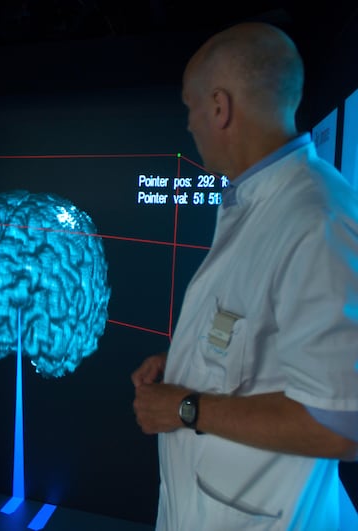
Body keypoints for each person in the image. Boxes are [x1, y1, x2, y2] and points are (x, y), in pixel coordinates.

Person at [131, 22, 358, 530]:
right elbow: (262, 341)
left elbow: (343, 425)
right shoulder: (260, 205)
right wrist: (185, 364)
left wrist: (186, 408)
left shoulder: (314, 217)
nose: (188, 125)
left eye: (190, 107)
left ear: (219, 106)